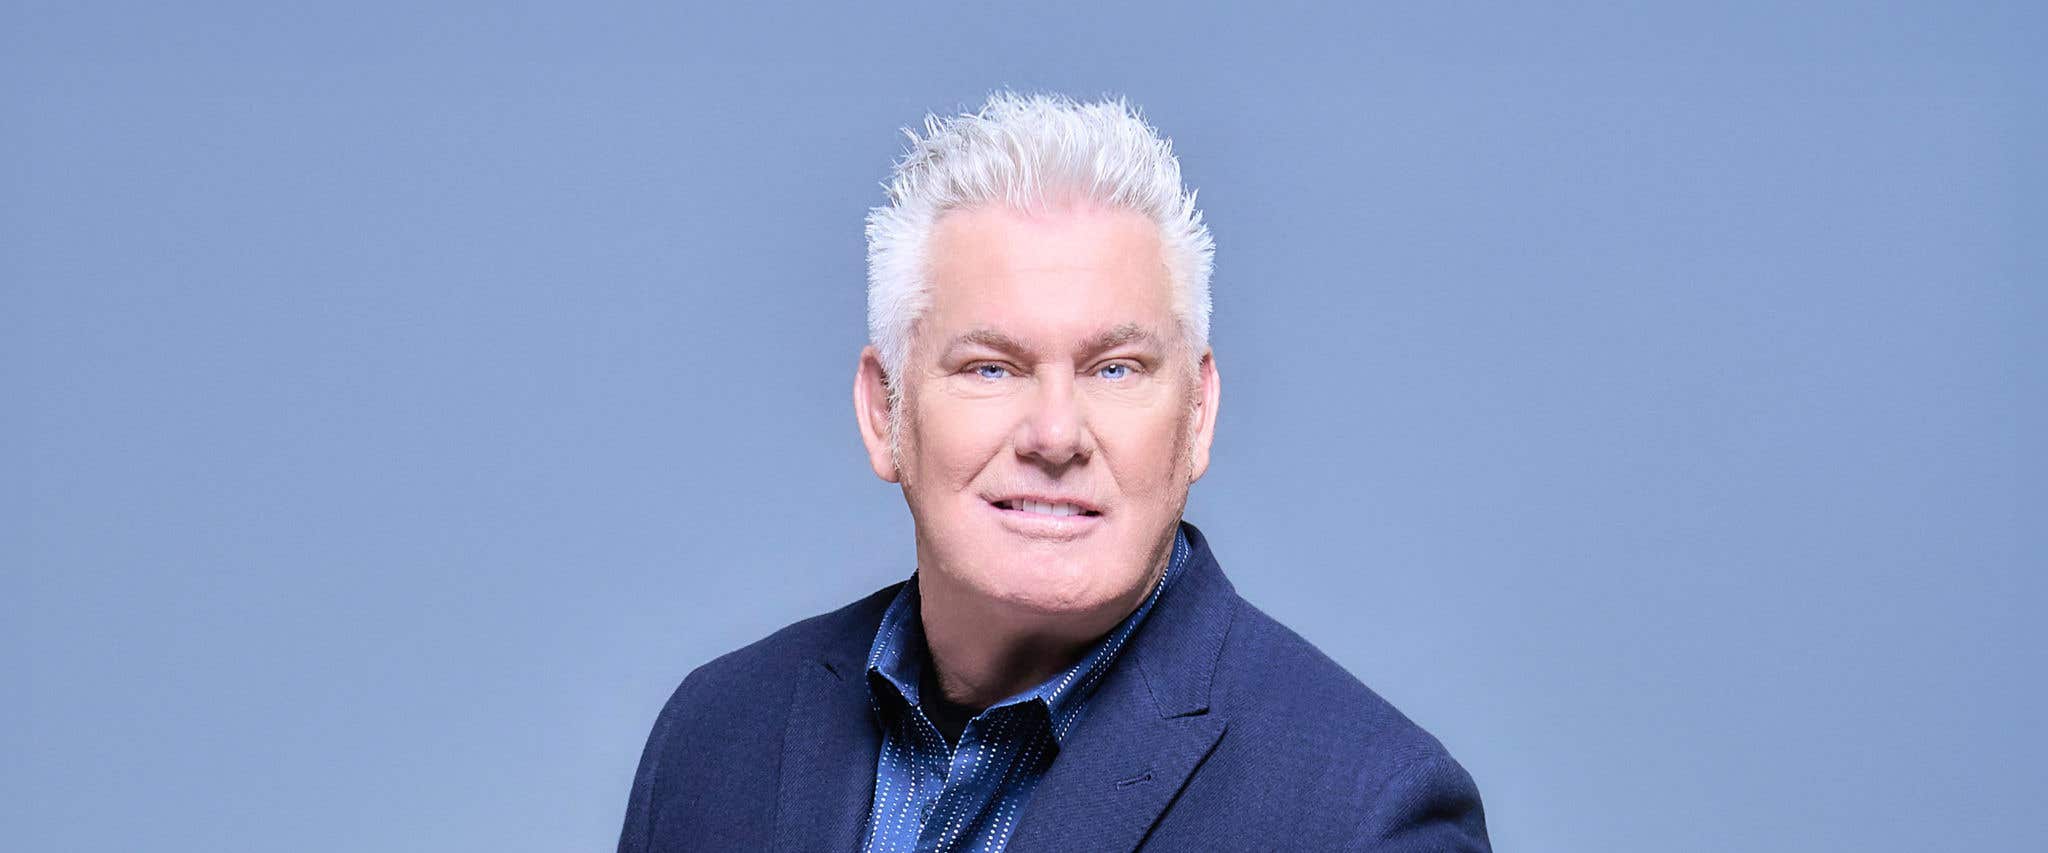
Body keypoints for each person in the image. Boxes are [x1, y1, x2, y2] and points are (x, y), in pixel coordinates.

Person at [617, 92, 1491, 853]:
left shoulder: (1366, 814)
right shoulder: (716, 734)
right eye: (991, 367)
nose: (1056, 432)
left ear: (1197, 414)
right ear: (886, 414)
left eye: (1116, 368)